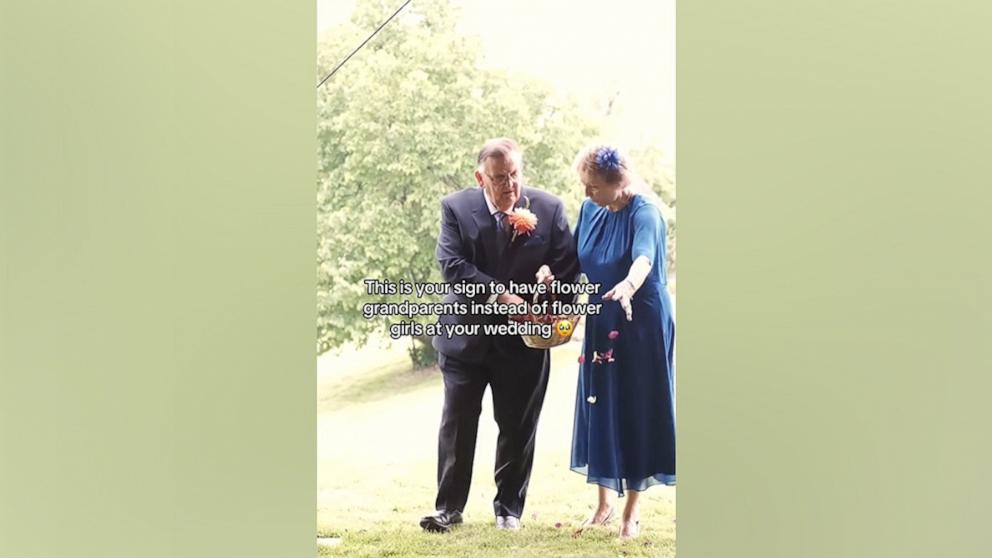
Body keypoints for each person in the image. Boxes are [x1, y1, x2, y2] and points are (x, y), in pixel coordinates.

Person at [419, 138, 579, 533]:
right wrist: (502, 295)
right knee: (457, 423)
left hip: (524, 344)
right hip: (464, 340)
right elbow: (453, 266)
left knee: (518, 427)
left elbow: (568, 269)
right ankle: (448, 509)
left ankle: (509, 509)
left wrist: (553, 286)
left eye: (514, 174)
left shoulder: (549, 208)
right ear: (480, 178)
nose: (510, 185)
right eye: (499, 178)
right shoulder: (455, 208)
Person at [569, 145, 676, 540]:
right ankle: (603, 503)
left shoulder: (644, 212)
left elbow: (643, 258)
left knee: (635, 409)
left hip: (639, 319)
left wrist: (629, 286)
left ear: (620, 183)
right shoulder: (591, 209)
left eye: (593, 186)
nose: (585, 193)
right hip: (602, 317)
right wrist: (549, 274)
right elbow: (571, 259)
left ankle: (631, 510)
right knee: (599, 403)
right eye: (584, 185)